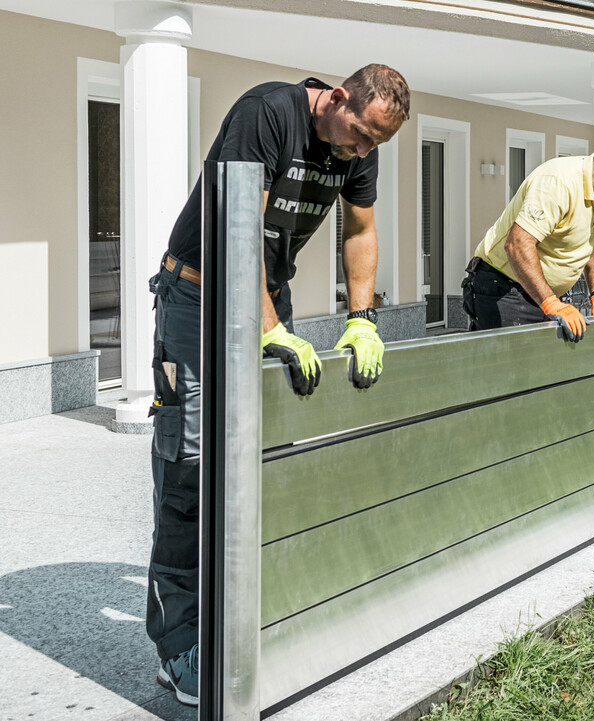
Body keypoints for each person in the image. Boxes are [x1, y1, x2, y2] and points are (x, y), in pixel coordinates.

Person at [146, 64, 410, 706]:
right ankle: (180, 645)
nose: (363, 151)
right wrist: (267, 327)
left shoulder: (359, 144)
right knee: (190, 468)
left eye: (377, 144)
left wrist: (362, 319)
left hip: (266, 298)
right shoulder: (267, 113)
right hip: (198, 294)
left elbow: (362, 231)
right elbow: (236, 232)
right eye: (361, 135)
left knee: (264, 466)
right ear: (338, 97)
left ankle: (241, 623)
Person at [462, 136, 594, 340]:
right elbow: (518, 244)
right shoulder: (558, 181)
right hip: (503, 287)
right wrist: (550, 303)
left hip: (544, 295)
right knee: (510, 368)